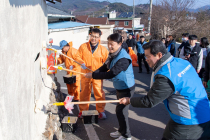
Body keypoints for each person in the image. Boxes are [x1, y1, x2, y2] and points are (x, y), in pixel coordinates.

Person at [119, 40, 210, 140]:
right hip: (205, 112)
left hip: (188, 122)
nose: (146, 59)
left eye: (148, 56)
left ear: (159, 55)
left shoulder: (166, 75)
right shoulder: (181, 62)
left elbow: (150, 101)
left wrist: (129, 101)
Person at [85, 33, 135, 140]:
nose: (109, 46)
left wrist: (93, 75)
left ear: (120, 44)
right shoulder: (113, 54)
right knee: (119, 111)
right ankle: (121, 131)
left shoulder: (124, 58)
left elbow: (111, 73)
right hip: (120, 87)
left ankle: (127, 136)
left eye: (112, 44)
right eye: (108, 43)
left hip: (127, 88)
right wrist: (94, 73)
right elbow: (104, 67)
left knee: (122, 111)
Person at [78, 28, 109, 119]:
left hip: (98, 75)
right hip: (85, 74)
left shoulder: (103, 50)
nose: (94, 38)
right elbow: (77, 57)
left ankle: (101, 111)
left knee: (99, 93)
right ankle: (82, 110)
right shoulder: (83, 47)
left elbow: (107, 62)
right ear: (90, 35)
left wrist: (106, 73)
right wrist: (81, 63)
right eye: (92, 36)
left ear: (99, 37)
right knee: (84, 93)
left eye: (96, 37)